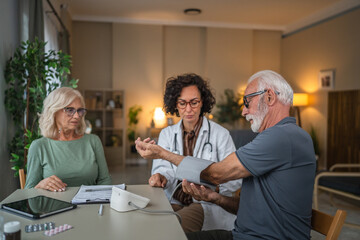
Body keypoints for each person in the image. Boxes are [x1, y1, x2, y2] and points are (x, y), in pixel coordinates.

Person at [136, 70, 316, 240]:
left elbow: (216, 174)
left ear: (269, 97)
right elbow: (248, 206)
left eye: (247, 102)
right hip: (242, 234)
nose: (244, 111)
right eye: (182, 103)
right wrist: (214, 197)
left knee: (167, 235)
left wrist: (162, 153)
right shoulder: (275, 137)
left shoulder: (282, 137)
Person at [149, 73, 242, 232]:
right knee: (155, 227)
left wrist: (212, 188)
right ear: (175, 104)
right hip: (175, 200)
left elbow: (234, 179)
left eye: (194, 102)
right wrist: (161, 177)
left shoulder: (220, 134)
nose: (189, 109)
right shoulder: (167, 134)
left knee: (175, 229)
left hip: (205, 203)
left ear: (202, 102)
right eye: (182, 103)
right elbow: (163, 168)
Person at [25, 87, 112, 191]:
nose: (76, 116)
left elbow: (105, 180)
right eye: (70, 110)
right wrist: (40, 185)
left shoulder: (93, 141)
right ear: (54, 111)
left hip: (90, 205)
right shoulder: (39, 146)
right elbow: (29, 191)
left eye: (79, 111)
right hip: (53, 207)